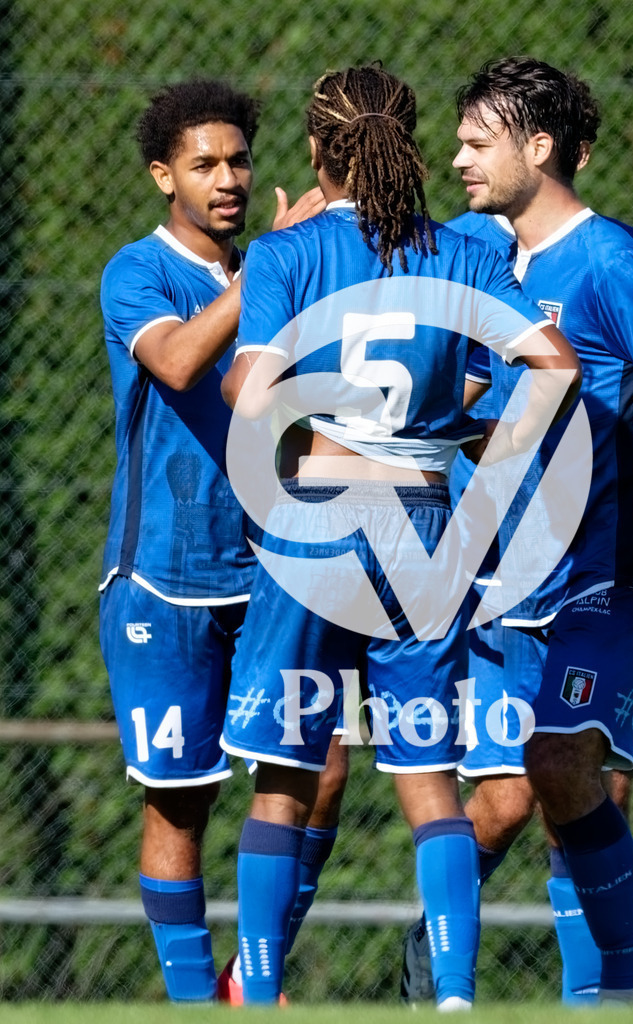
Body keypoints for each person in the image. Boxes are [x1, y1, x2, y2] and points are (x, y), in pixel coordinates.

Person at [217, 63, 582, 1009]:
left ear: (313, 149)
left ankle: (256, 992)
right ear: (407, 141)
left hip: (315, 520)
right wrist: (478, 463)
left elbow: (248, 396)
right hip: (425, 525)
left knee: (287, 773)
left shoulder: (286, 254)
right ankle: (453, 993)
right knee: (427, 774)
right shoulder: (458, 255)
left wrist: (325, 425)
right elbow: (551, 367)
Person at [402, 56, 633, 1005]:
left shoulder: (608, 261)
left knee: (567, 759)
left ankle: (614, 995)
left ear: (538, 146)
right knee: (521, 790)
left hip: (611, 565)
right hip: (511, 567)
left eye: (478, 141)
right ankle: (442, 946)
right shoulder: (479, 248)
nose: (459, 156)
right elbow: (479, 389)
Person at [98, 79, 323, 1003]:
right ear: (164, 176)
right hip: (163, 579)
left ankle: (253, 988)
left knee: (316, 769)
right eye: (205, 164)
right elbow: (183, 359)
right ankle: (196, 1006)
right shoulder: (136, 272)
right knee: (179, 800)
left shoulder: (275, 278)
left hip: (271, 568)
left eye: (238, 160)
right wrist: (267, 263)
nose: (228, 178)